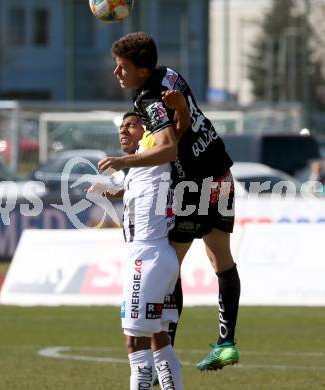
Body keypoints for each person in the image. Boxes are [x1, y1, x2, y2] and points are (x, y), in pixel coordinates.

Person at [99, 31, 240, 372]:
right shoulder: (171, 74)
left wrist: (123, 163)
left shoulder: (148, 100)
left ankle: (166, 350)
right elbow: (182, 125)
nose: (118, 73)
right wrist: (129, 188)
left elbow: (167, 148)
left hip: (191, 184)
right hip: (220, 171)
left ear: (142, 71)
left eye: (122, 67)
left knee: (167, 264)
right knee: (221, 260)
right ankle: (226, 343)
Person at [92, 111, 184, 389]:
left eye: (131, 125)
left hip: (146, 257)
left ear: (147, 131)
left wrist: (173, 105)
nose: (123, 131)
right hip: (161, 256)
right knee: (159, 339)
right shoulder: (141, 165)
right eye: (121, 126)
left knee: (135, 342)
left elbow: (170, 139)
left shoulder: (154, 144)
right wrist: (119, 192)